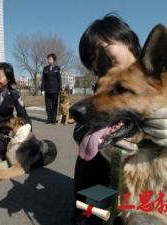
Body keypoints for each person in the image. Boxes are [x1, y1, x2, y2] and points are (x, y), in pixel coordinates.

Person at [72, 14, 167, 225]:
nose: (98, 59)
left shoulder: (155, 72)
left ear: (128, 41)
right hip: (112, 183)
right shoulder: (104, 84)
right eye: (91, 58)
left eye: (103, 47)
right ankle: (89, 212)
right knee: (90, 151)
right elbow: (80, 127)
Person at [41, 53, 62, 124]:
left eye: (50, 59)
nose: (49, 60)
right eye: (48, 59)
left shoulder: (57, 68)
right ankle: (49, 119)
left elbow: (59, 79)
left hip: (55, 90)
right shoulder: (45, 68)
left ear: (53, 60)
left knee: (54, 105)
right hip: (47, 90)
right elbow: (43, 79)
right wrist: (42, 89)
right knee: (47, 105)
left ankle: (53, 119)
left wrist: (60, 89)